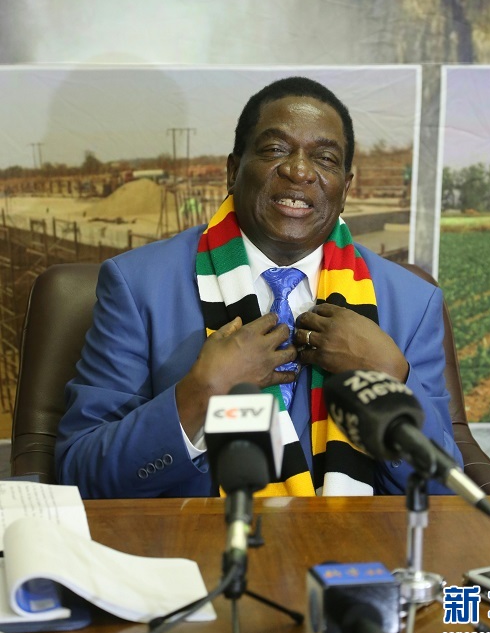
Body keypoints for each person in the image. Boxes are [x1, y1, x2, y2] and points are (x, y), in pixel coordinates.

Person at [56, 76, 463, 498]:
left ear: (345, 189)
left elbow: (443, 495)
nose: (299, 170)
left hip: (353, 540)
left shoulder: (413, 304)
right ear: (233, 171)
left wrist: (389, 379)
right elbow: (79, 472)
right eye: (275, 150)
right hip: (203, 537)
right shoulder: (138, 285)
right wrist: (200, 394)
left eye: (325, 158)